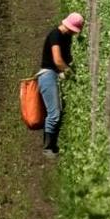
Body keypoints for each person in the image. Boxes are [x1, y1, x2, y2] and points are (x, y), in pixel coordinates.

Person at [38, 12, 84, 157]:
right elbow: (57, 60)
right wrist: (70, 73)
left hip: (55, 74)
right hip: (48, 75)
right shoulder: (55, 35)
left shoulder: (66, 37)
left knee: (57, 111)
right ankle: (48, 148)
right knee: (54, 113)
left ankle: (53, 146)